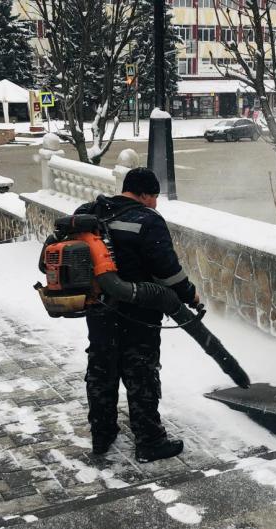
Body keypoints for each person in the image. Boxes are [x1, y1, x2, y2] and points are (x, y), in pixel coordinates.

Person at [74, 168, 201, 463]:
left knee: (102, 369)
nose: (155, 203)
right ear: (144, 194)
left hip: (99, 309)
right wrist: (189, 294)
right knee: (140, 373)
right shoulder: (147, 219)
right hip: (138, 313)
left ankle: (102, 434)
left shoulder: (89, 211)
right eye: (154, 197)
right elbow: (167, 271)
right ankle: (150, 441)